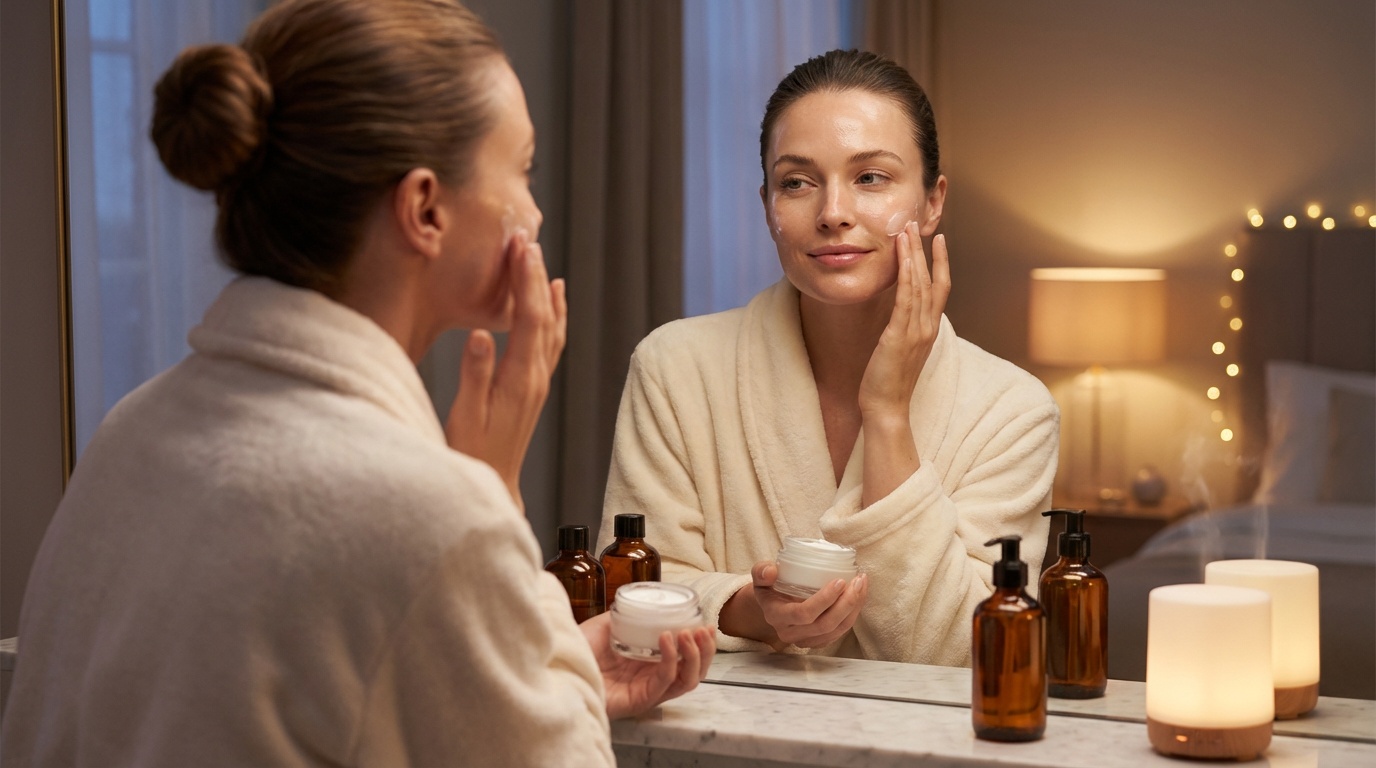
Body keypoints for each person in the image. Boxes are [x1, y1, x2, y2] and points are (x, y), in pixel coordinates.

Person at [0, 1, 712, 765]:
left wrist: (535, 665)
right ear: (425, 209)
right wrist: (493, 492)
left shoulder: (129, 432)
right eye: (524, 169)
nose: (535, 213)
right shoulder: (434, 514)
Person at [597, 49, 1058, 667]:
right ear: (767, 207)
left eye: (871, 178)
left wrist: (888, 412)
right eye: (797, 182)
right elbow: (629, 599)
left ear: (932, 201)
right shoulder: (675, 367)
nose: (833, 212)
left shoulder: (1012, 411)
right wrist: (753, 612)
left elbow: (962, 654)